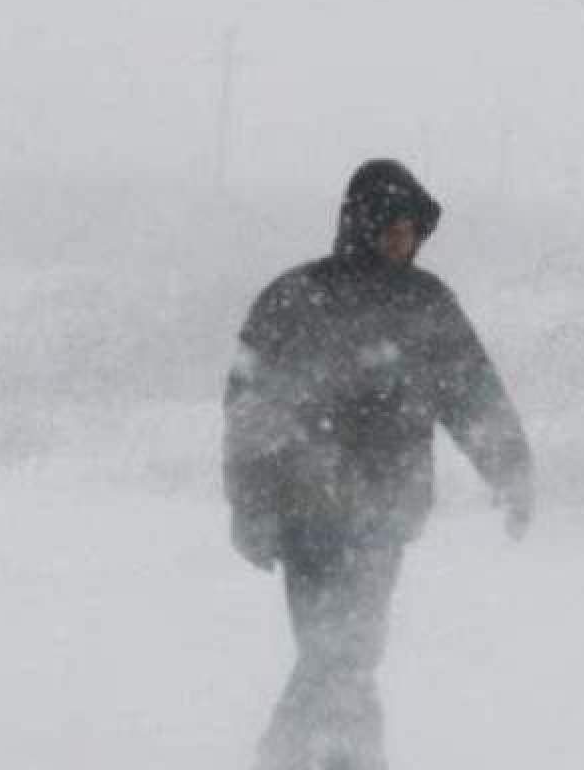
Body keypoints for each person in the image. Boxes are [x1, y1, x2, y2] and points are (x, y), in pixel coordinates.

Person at [222, 159, 534, 770]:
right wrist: (250, 507)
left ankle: (292, 756)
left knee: (344, 653)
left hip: (383, 514)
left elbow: (472, 392)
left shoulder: (426, 303)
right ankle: (333, 759)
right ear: (360, 223)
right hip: (305, 512)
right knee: (340, 652)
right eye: (391, 226)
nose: (402, 240)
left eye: (411, 229)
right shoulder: (297, 296)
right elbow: (248, 411)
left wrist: (511, 471)